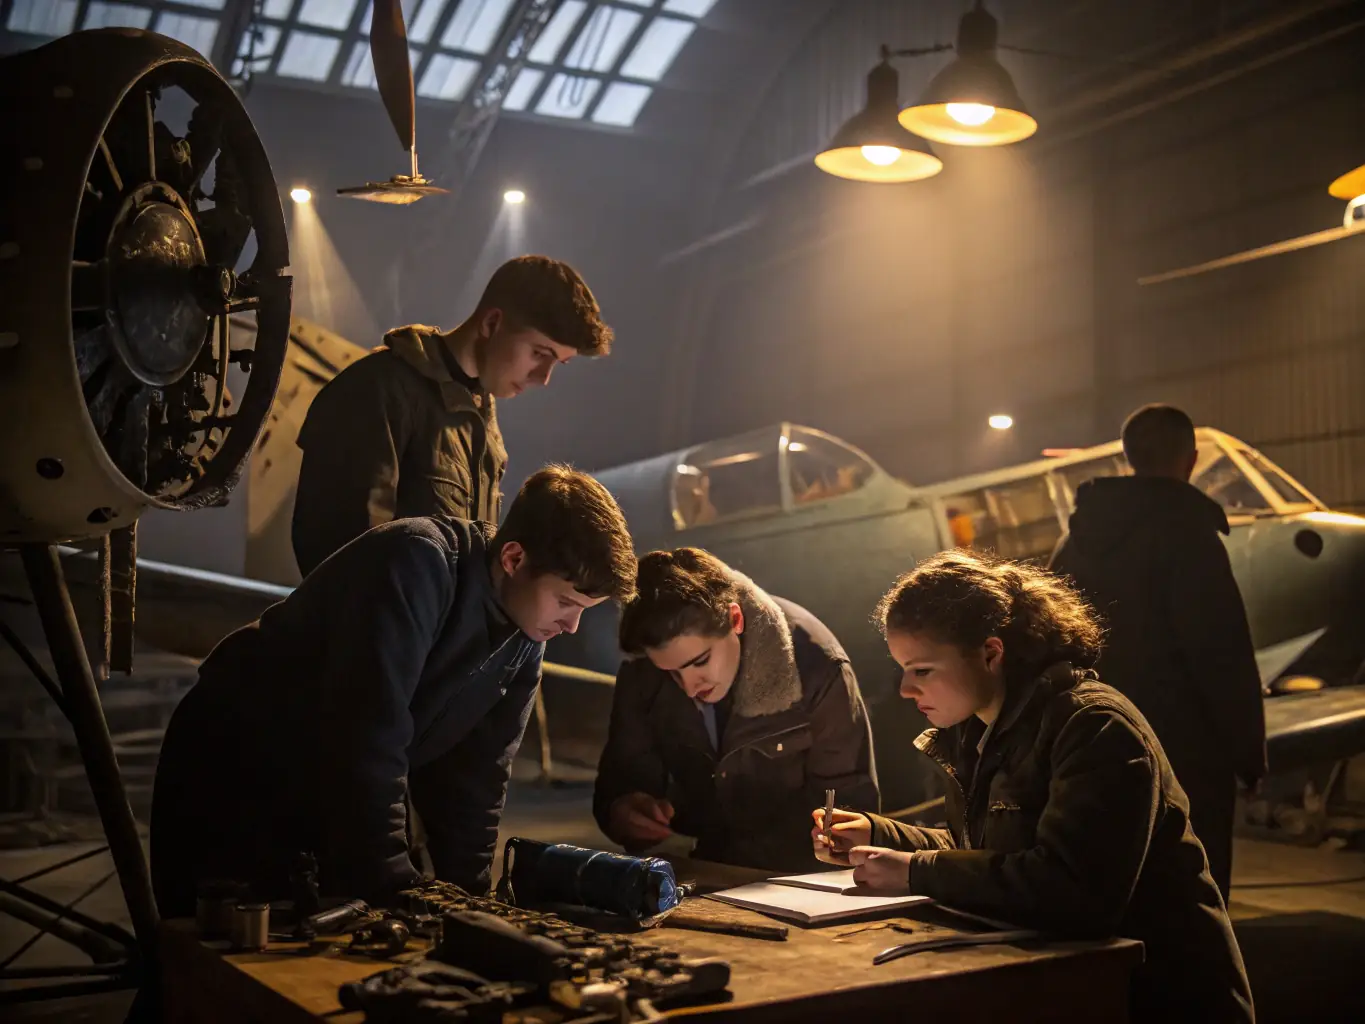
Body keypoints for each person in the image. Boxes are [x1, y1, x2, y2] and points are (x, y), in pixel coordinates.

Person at [151, 466, 636, 917]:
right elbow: (368, 733)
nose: (572, 625)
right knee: (209, 960)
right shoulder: (415, 562)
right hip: (234, 763)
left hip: (332, 778)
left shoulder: (526, 637)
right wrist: (392, 883)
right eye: (566, 602)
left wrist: (468, 904)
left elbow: (479, 777)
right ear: (514, 558)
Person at [812, 551, 1253, 1023]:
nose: (904, 689)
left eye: (922, 670)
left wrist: (914, 870)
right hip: (1078, 992)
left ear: (990, 653)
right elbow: (990, 849)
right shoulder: (981, 730)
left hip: (1160, 999)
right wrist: (881, 838)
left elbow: (1072, 891)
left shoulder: (1096, 727)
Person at [1049, 403, 1266, 901]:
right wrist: (1248, 754)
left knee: (1115, 887)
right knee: (1192, 891)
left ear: (1128, 457)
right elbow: (1221, 655)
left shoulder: (1074, 541)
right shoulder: (1190, 534)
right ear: (1190, 460)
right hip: (1185, 755)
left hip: (1096, 741)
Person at [291, 255, 614, 577]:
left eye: (558, 362)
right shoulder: (379, 390)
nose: (543, 377)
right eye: (539, 353)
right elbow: (340, 558)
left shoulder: (480, 410)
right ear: (491, 324)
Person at [595, 548, 879, 871]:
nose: (689, 688)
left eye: (700, 662)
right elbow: (620, 781)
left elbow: (853, 812)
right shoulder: (643, 673)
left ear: (735, 619)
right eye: (672, 673)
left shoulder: (816, 668)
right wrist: (624, 812)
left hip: (803, 881)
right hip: (700, 876)